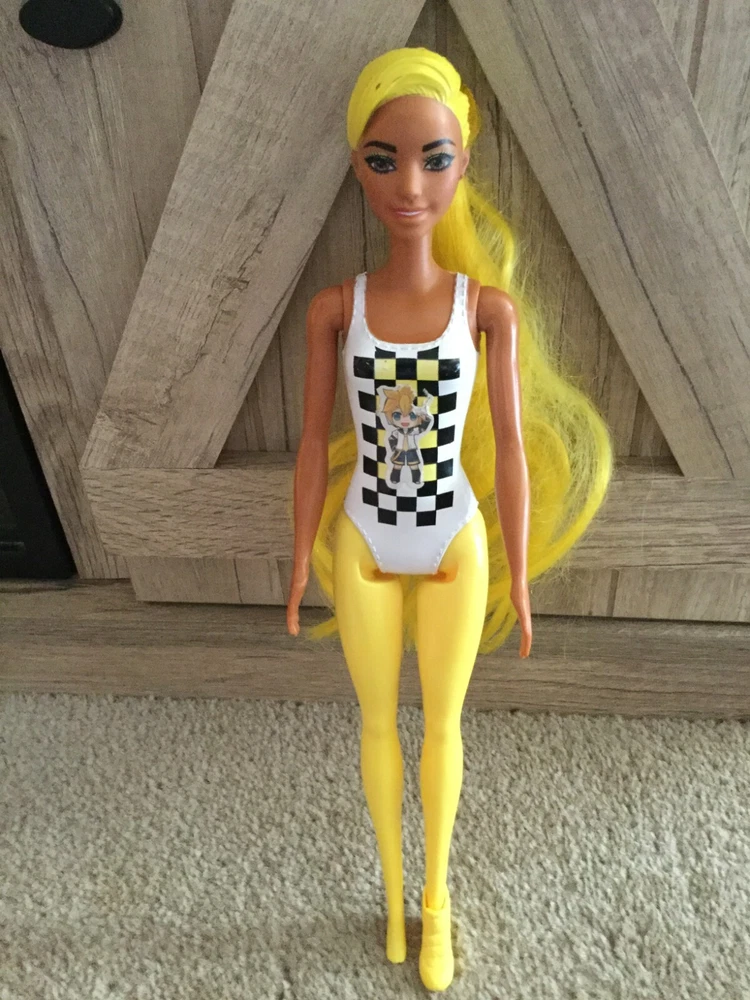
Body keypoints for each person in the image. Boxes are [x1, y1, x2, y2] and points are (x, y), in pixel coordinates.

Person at [286, 47, 613, 991]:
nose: (410, 185)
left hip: (452, 540)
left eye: (434, 159)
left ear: (464, 163)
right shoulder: (335, 308)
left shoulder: (486, 310)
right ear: (358, 168)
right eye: (383, 159)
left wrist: (520, 574)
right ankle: (390, 896)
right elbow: (311, 443)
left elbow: (509, 449)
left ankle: (435, 903)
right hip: (365, 539)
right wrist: (297, 559)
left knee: (444, 729)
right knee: (375, 728)